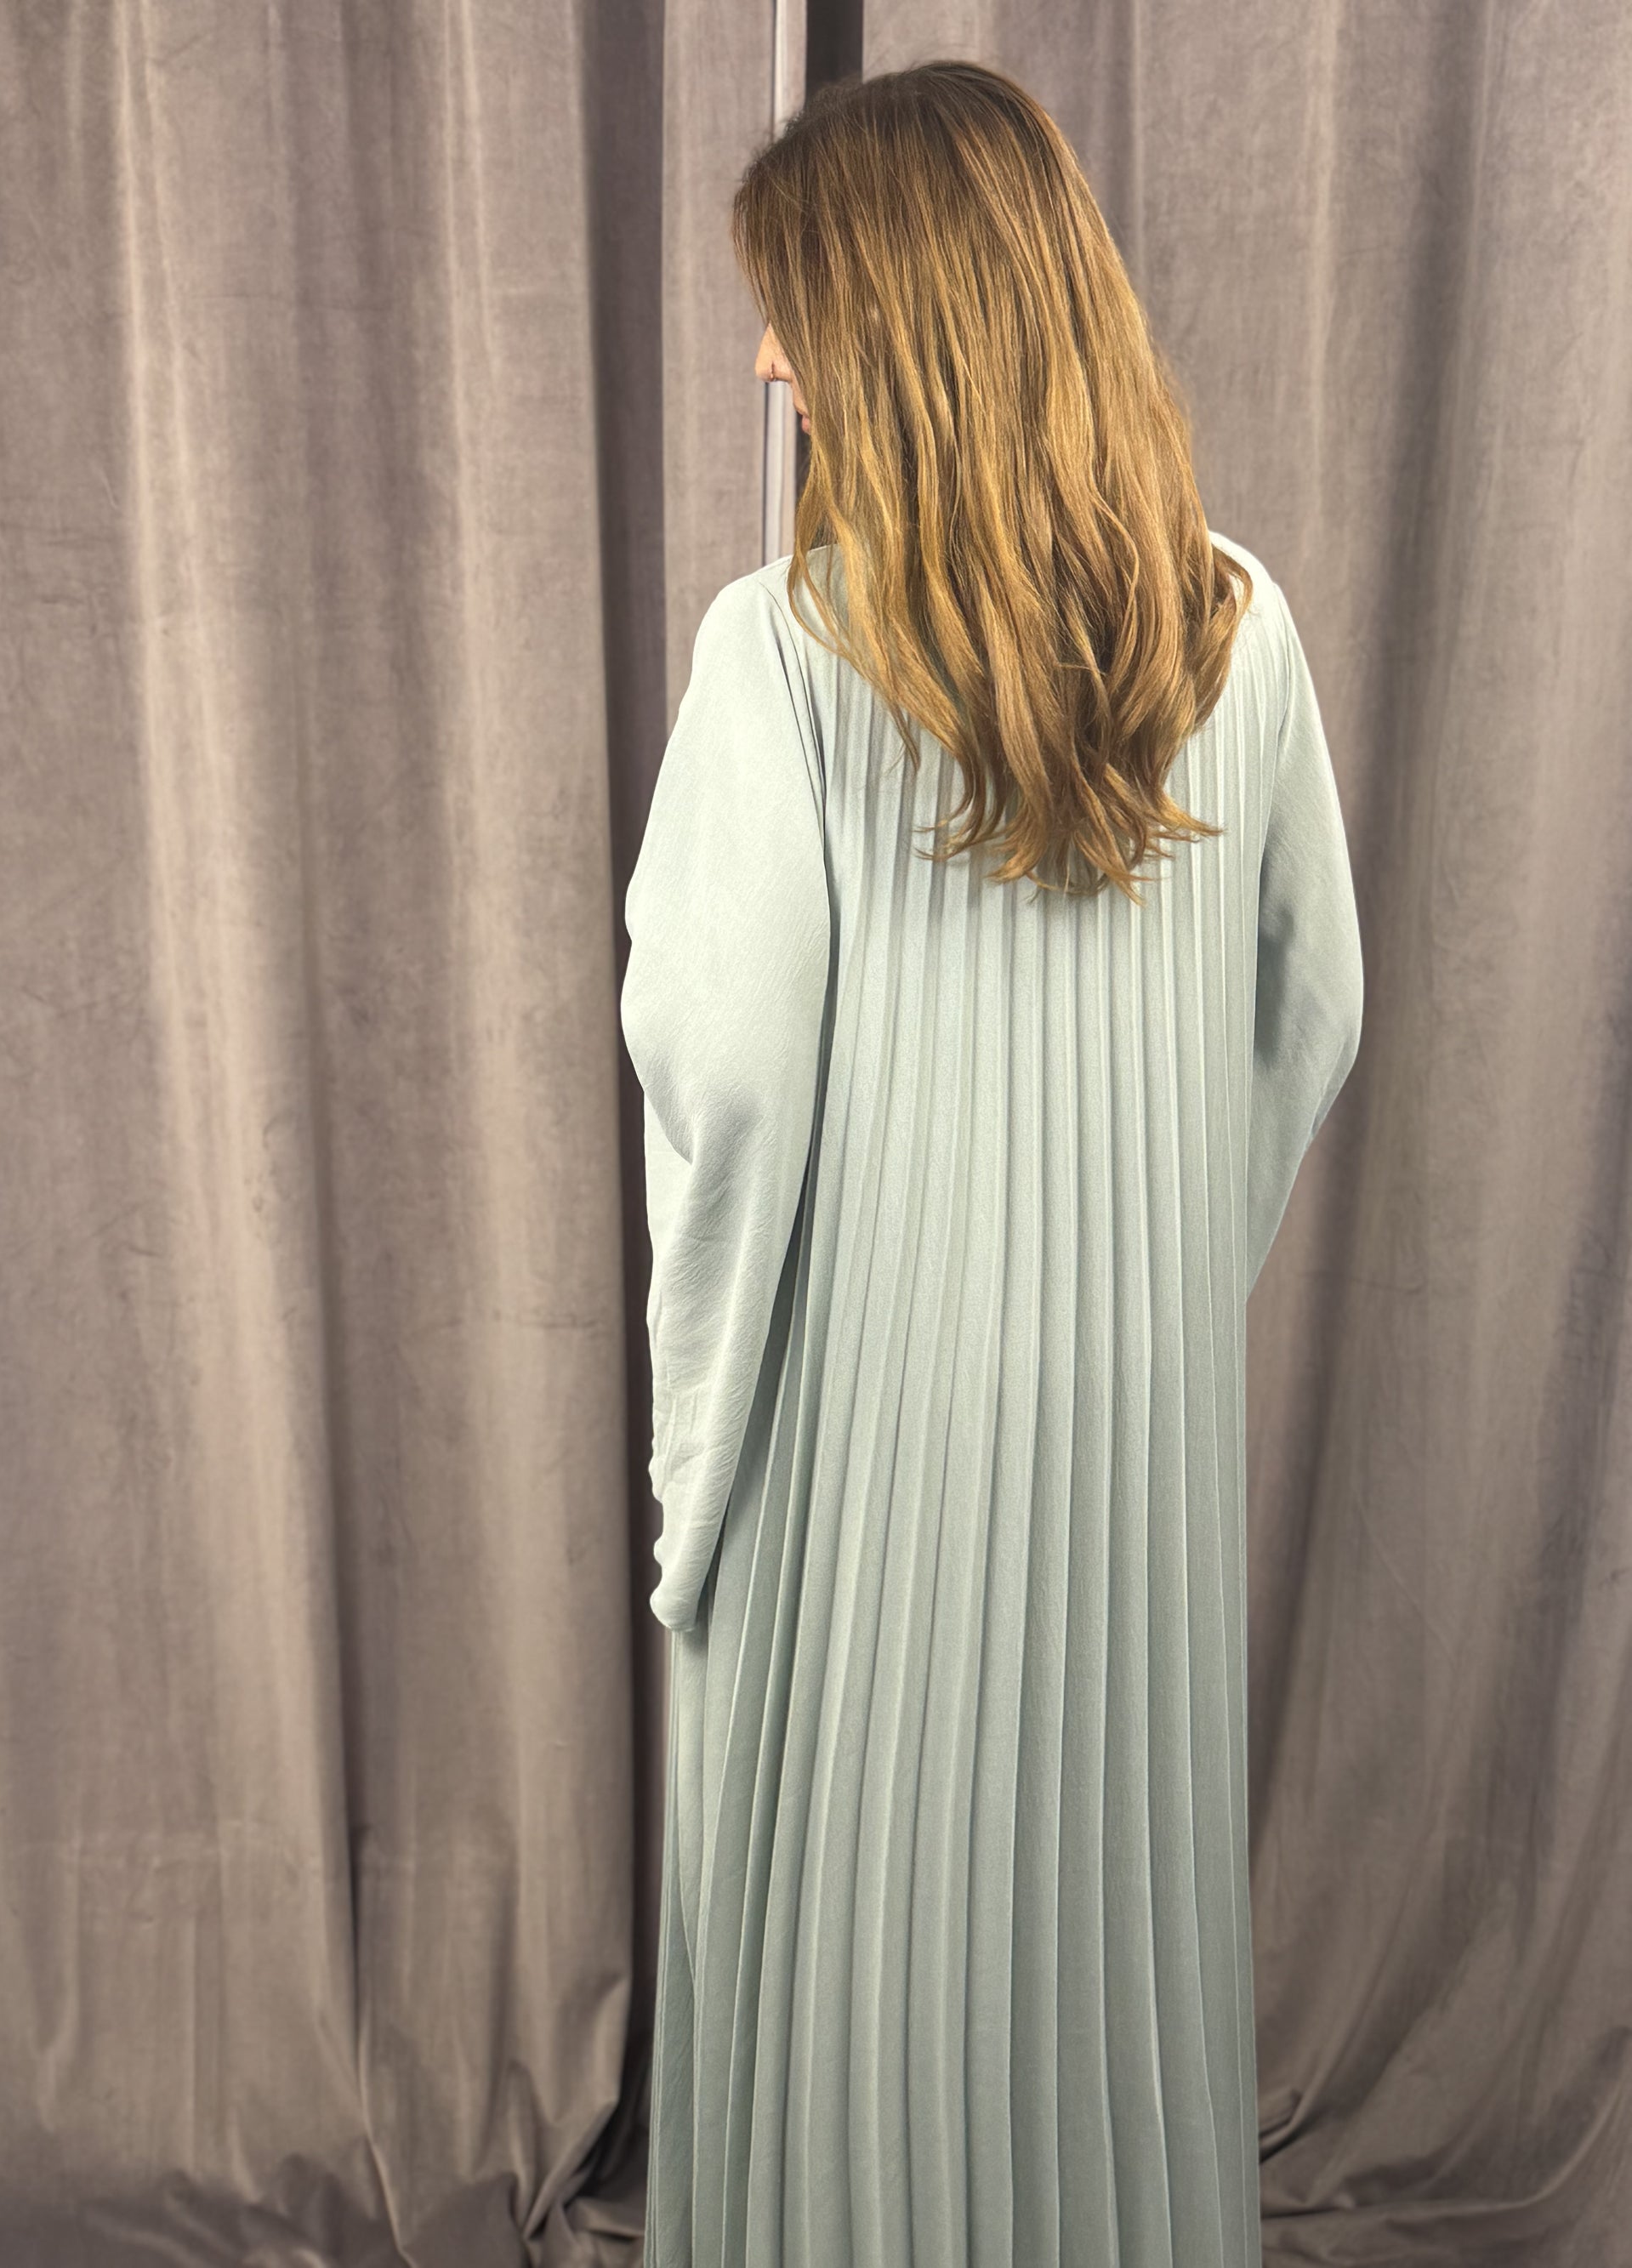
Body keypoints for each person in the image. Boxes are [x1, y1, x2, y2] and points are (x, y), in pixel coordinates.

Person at [619, 56, 1362, 2268]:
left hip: (859, 1469)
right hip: (1135, 1460)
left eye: (792, 311)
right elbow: (1315, 1010)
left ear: (902, 326)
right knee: (1102, 1950)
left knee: (854, 1959)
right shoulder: (1239, 629)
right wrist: (1154, 1279)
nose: (768, 360)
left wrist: (696, 1462)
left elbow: (722, 1072)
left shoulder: (777, 658)